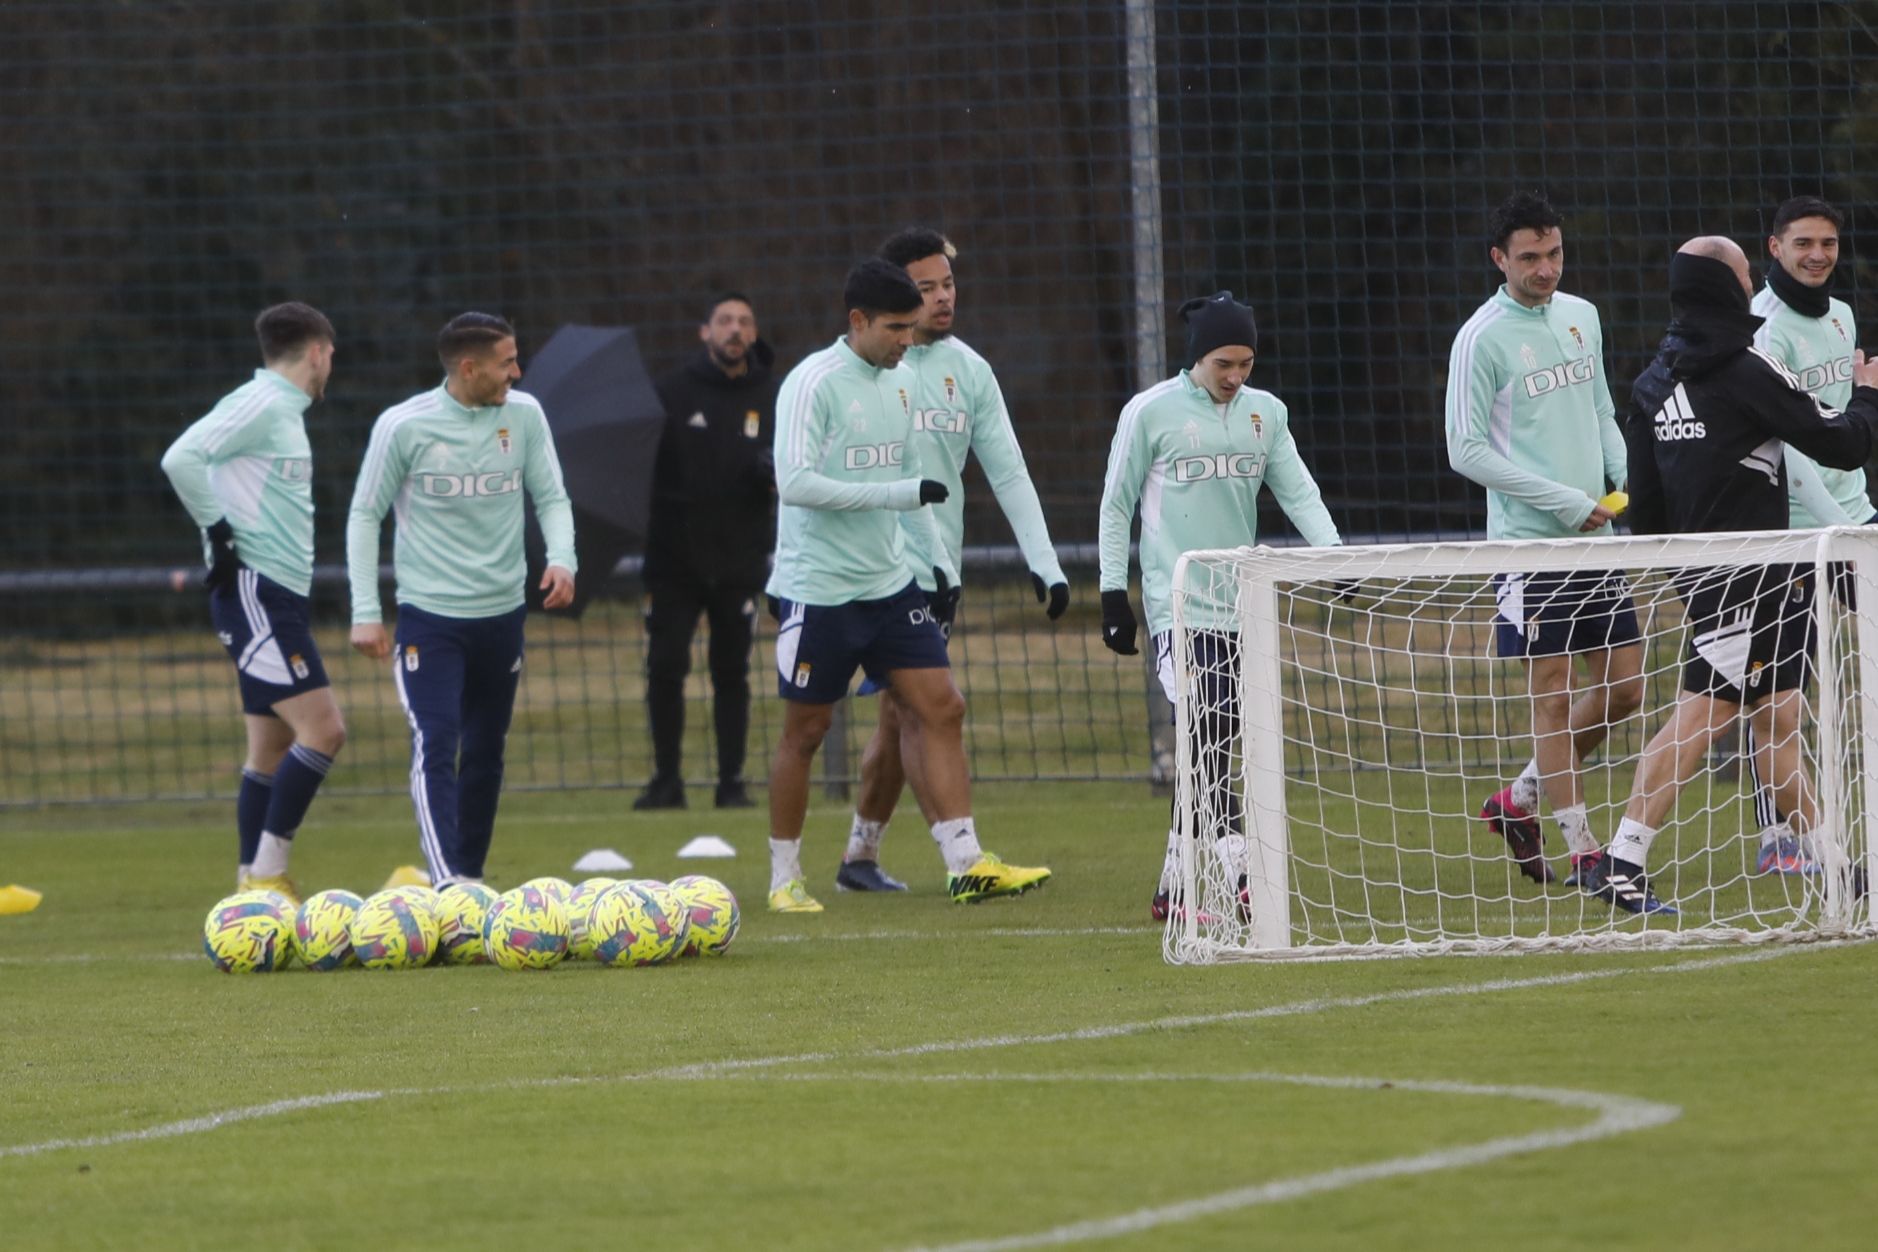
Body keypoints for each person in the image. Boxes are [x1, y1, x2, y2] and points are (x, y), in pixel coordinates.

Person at [763, 258, 1050, 913]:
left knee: (940, 707)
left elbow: (915, 484)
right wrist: (894, 493)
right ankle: (785, 879)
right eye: (896, 328)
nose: (907, 341)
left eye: (913, 328)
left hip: (892, 586)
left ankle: (967, 862)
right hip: (821, 589)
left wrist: (926, 560)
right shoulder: (813, 383)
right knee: (804, 734)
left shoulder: (898, 383)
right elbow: (797, 483)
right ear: (857, 321)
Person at [1613, 236, 1878, 914]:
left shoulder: (1651, 381)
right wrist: (1869, 394)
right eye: (1740, 274)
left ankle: (1843, 869)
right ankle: (1623, 860)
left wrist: (1690, 582)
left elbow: (1643, 512)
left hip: (1740, 579)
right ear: (1725, 286)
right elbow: (1843, 444)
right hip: (1751, 579)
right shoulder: (1744, 368)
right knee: (1701, 719)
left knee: (1779, 720)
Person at [834, 228, 1070, 893]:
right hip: (874, 568)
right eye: (925, 288)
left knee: (903, 711)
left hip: (939, 575)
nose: (942, 299)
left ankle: (859, 857)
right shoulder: (869, 369)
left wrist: (1045, 562)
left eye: (948, 285)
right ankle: (964, 861)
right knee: (930, 707)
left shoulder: (969, 370)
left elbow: (1010, 472)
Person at [1098, 291, 1343, 921]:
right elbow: (1114, 506)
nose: (1236, 377)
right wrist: (1109, 594)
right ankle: (1242, 877)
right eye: (1223, 365)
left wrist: (1335, 558)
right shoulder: (1149, 412)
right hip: (1177, 607)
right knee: (1208, 731)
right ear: (1197, 358)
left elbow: (1300, 491)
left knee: (1216, 741)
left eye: (1246, 364)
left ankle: (1172, 888)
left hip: (1245, 607)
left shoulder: (1267, 414)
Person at [1445, 191, 1644, 888]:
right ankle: (1585, 850)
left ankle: (1520, 799)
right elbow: (1464, 450)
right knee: (1553, 698)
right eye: (1529, 257)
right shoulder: (1481, 337)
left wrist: (1624, 473)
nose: (1546, 268)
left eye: (1554, 253)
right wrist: (1563, 502)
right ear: (1500, 259)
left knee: (1625, 691)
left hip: (1599, 542)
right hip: (1530, 551)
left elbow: (1600, 411)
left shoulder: (1581, 316)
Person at [345, 312, 577, 888]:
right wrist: (365, 611)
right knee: (437, 739)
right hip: (430, 619)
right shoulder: (404, 425)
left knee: (486, 751)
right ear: (469, 368)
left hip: (502, 617)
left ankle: (468, 876)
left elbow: (551, 495)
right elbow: (363, 514)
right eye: (507, 362)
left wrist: (562, 557)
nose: (517, 373)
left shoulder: (525, 416)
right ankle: (447, 881)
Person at [159, 302, 345, 903]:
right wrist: (217, 532)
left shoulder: (281, 411)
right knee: (324, 731)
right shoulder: (262, 403)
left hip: (276, 598)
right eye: (331, 356)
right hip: (256, 594)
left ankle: (247, 891)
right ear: (317, 352)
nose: (330, 367)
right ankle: (268, 874)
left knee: (270, 748)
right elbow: (180, 456)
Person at [1745, 195, 1873, 874]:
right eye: (1803, 244)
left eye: (1827, 243)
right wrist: (1843, 525)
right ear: (1775, 248)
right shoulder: (1764, 329)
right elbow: (1789, 455)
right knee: (1782, 694)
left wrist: (1861, 511)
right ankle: (1779, 840)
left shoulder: (1843, 315)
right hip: (1801, 533)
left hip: (1852, 520)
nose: (1818, 255)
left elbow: (1843, 426)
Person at [634, 293, 778, 812]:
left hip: (739, 559)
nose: (735, 330)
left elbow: (795, 464)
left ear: (754, 332)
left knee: (732, 673)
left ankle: (731, 782)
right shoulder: (670, 392)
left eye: (744, 321)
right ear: (705, 332)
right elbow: (644, 466)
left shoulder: (774, 394)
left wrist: (772, 471)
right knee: (666, 668)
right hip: (673, 560)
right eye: (724, 321)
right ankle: (666, 780)